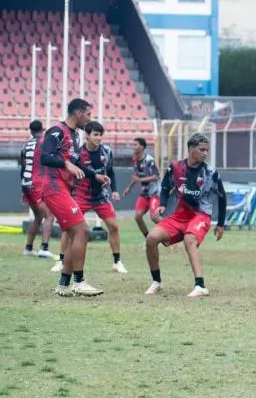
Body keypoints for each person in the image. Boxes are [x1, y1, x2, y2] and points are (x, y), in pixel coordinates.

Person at [144, 133, 226, 298]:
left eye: (207, 150)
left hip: (201, 216)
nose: (205, 153)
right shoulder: (175, 168)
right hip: (180, 216)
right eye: (202, 149)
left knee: (190, 239)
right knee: (151, 239)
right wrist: (162, 205)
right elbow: (166, 188)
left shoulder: (210, 172)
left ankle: (200, 285)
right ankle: (156, 281)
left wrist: (221, 224)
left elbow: (222, 196)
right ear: (190, 149)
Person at [38, 98, 106, 297]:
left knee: (77, 234)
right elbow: (45, 156)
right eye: (88, 114)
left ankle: (63, 285)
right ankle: (79, 282)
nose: (90, 118)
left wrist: (95, 176)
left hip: (63, 189)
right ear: (78, 113)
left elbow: (76, 163)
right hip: (53, 188)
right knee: (83, 231)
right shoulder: (56, 131)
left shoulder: (75, 135)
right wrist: (66, 164)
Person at [73, 121, 127, 274]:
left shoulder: (106, 151)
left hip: (101, 197)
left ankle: (117, 262)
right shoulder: (78, 153)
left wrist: (114, 190)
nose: (99, 138)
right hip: (81, 195)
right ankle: (62, 260)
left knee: (114, 227)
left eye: (100, 135)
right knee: (70, 228)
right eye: (95, 135)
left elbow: (110, 171)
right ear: (87, 136)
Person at [19, 119, 55, 259]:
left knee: (38, 217)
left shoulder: (25, 146)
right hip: (37, 184)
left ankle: (28, 248)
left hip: (27, 185)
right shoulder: (44, 143)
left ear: (31, 131)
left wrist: (23, 189)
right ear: (42, 129)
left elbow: (23, 168)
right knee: (49, 216)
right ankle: (44, 248)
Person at [122, 137, 162, 237]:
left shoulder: (149, 160)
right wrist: (129, 187)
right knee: (138, 216)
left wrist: (140, 180)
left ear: (142, 147)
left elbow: (156, 176)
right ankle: (148, 237)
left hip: (154, 192)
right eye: (133, 145)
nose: (133, 147)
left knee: (154, 216)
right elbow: (137, 176)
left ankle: (170, 233)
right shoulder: (135, 160)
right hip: (144, 193)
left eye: (135, 145)